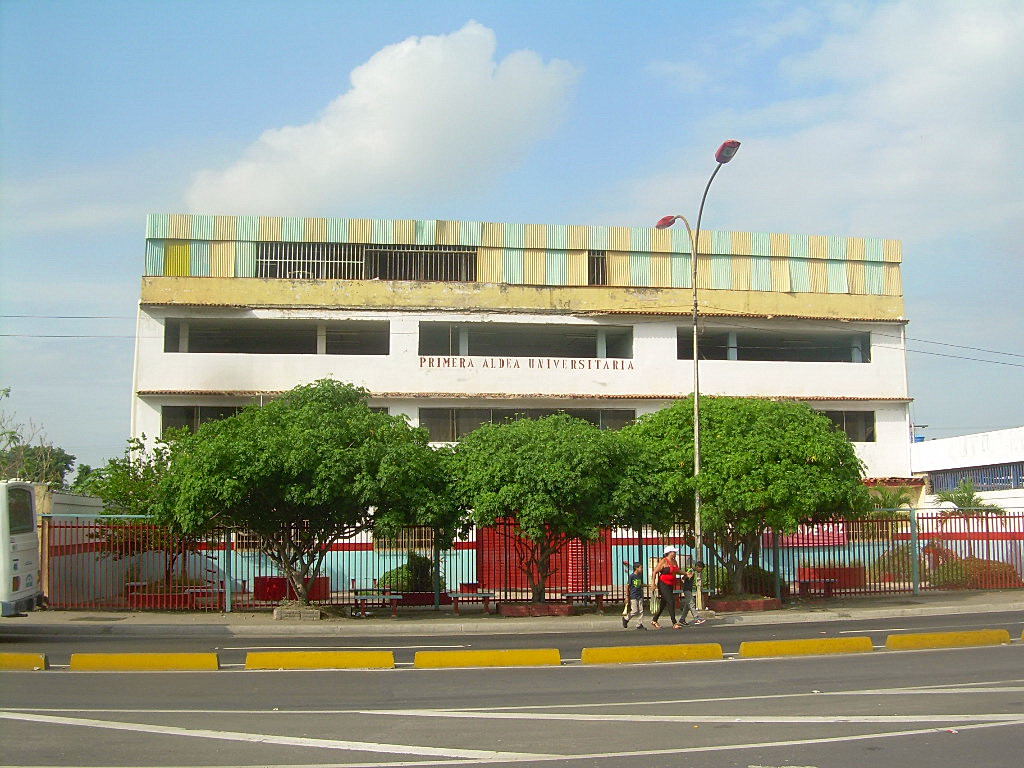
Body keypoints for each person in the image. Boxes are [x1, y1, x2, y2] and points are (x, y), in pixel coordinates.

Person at [649, 546, 682, 629]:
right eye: (673, 552)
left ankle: (654, 620)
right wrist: (653, 584)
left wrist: (686, 574)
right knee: (671, 601)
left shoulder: (674, 561)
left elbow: (677, 571)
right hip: (663, 584)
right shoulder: (663, 561)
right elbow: (655, 572)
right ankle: (674, 623)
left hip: (670, 584)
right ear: (669, 552)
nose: (675, 553)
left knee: (663, 603)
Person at [621, 562, 647, 630]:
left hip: (639, 595)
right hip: (633, 595)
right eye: (641, 568)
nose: (642, 569)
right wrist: (627, 596)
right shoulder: (632, 576)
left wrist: (649, 585)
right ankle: (626, 618)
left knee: (641, 610)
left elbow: (640, 584)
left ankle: (639, 624)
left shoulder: (639, 576)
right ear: (636, 568)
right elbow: (627, 586)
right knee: (634, 611)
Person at [679, 561, 706, 625]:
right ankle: (696, 618)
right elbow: (683, 578)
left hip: (688, 590)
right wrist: (687, 575)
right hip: (687, 590)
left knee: (687, 605)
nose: (701, 570)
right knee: (691, 602)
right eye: (701, 569)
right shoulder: (691, 570)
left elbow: (683, 578)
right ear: (697, 567)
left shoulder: (692, 571)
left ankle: (682, 619)